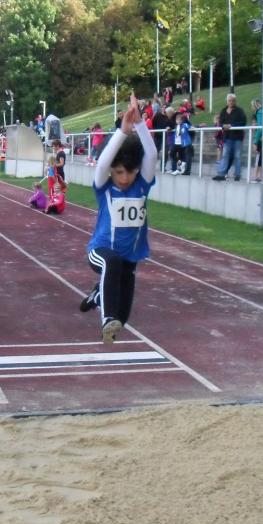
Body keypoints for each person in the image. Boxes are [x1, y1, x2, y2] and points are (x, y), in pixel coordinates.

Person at [80, 94, 156, 344]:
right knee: (111, 264)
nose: (124, 178)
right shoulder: (105, 187)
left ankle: (98, 296)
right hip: (101, 251)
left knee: (122, 319)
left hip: (129, 258)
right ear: (112, 171)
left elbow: (151, 155)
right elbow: (103, 164)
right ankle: (105, 317)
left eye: (130, 172)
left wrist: (140, 123)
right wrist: (123, 131)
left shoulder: (142, 185)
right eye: (119, 172)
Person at [212, 93, 246, 181]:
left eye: (233, 101)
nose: (231, 102)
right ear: (227, 101)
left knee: (237, 156)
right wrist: (223, 126)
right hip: (227, 137)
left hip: (237, 137)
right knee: (225, 155)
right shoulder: (223, 111)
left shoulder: (239, 111)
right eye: (229, 101)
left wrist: (231, 125)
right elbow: (221, 122)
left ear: (235, 101)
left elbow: (243, 122)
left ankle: (237, 175)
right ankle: (221, 174)